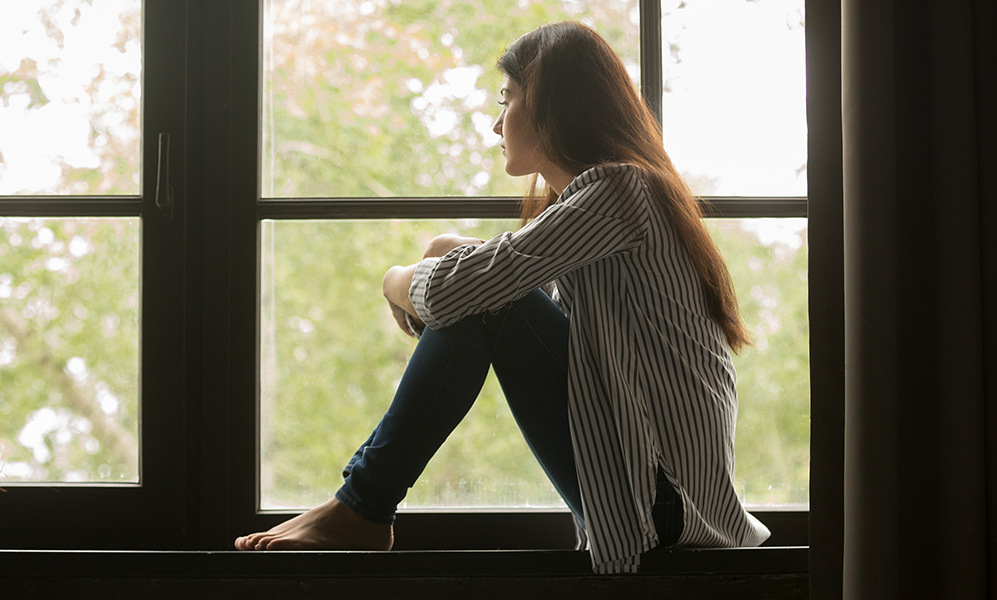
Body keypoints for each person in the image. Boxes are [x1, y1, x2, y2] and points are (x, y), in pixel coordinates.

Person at [235, 21, 770, 572]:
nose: (496, 123)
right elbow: (494, 288)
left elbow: (462, 293)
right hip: (651, 500)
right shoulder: (617, 200)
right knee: (482, 289)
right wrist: (444, 253)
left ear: (553, 105)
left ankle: (362, 507)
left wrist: (396, 278)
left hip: (662, 508)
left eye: (508, 99)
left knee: (487, 297)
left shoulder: (619, 190)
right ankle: (359, 506)